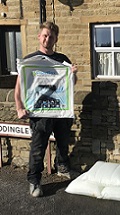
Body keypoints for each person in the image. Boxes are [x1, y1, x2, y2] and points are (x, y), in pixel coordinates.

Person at [14, 21, 78, 197]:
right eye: (44, 35)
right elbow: (18, 88)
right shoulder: (29, 61)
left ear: (56, 39)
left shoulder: (63, 60)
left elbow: (70, 86)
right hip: (40, 113)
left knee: (63, 143)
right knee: (38, 149)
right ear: (39, 37)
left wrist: (72, 74)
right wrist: (19, 107)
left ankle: (62, 167)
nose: (47, 39)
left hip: (60, 111)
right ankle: (34, 181)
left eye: (51, 36)